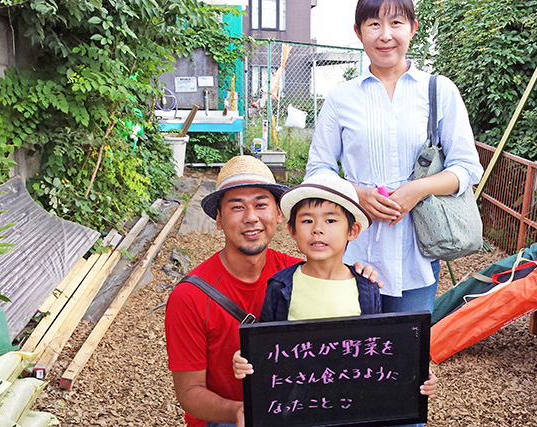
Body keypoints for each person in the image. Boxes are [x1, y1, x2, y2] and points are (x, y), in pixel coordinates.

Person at [164, 156, 380, 427]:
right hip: (231, 418)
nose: (251, 217)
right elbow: (189, 393)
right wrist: (241, 411)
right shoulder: (190, 296)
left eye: (261, 204)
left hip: (303, 407)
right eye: (237, 207)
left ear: (279, 215)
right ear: (218, 219)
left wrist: (358, 276)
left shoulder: (299, 273)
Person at [305, 0, 484, 316]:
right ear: (358, 32)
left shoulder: (439, 91)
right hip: (353, 250)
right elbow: (317, 170)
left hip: (416, 252)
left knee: (405, 352)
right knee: (353, 350)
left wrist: (416, 190)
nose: (385, 35)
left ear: (413, 28)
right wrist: (358, 194)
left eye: (396, 23)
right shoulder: (341, 99)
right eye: (374, 24)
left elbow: (468, 167)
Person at [232, 174, 438, 425]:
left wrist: (412, 372)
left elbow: (377, 350)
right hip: (297, 407)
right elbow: (265, 346)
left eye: (330, 220)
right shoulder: (281, 286)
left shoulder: (366, 289)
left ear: (352, 230)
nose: (318, 229)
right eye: (307, 220)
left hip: (348, 407)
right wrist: (245, 360)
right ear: (292, 231)